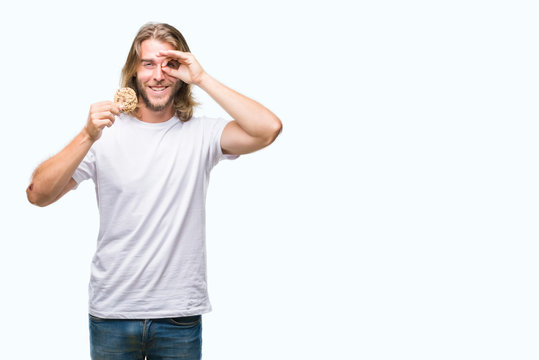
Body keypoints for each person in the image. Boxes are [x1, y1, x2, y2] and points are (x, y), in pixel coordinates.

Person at [26, 22, 282, 360]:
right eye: (148, 63)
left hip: (178, 315)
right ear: (133, 71)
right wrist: (87, 135)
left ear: (182, 73)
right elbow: (38, 195)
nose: (158, 75)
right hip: (112, 314)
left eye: (170, 64)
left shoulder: (202, 134)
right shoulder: (104, 135)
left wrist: (203, 77)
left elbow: (268, 129)